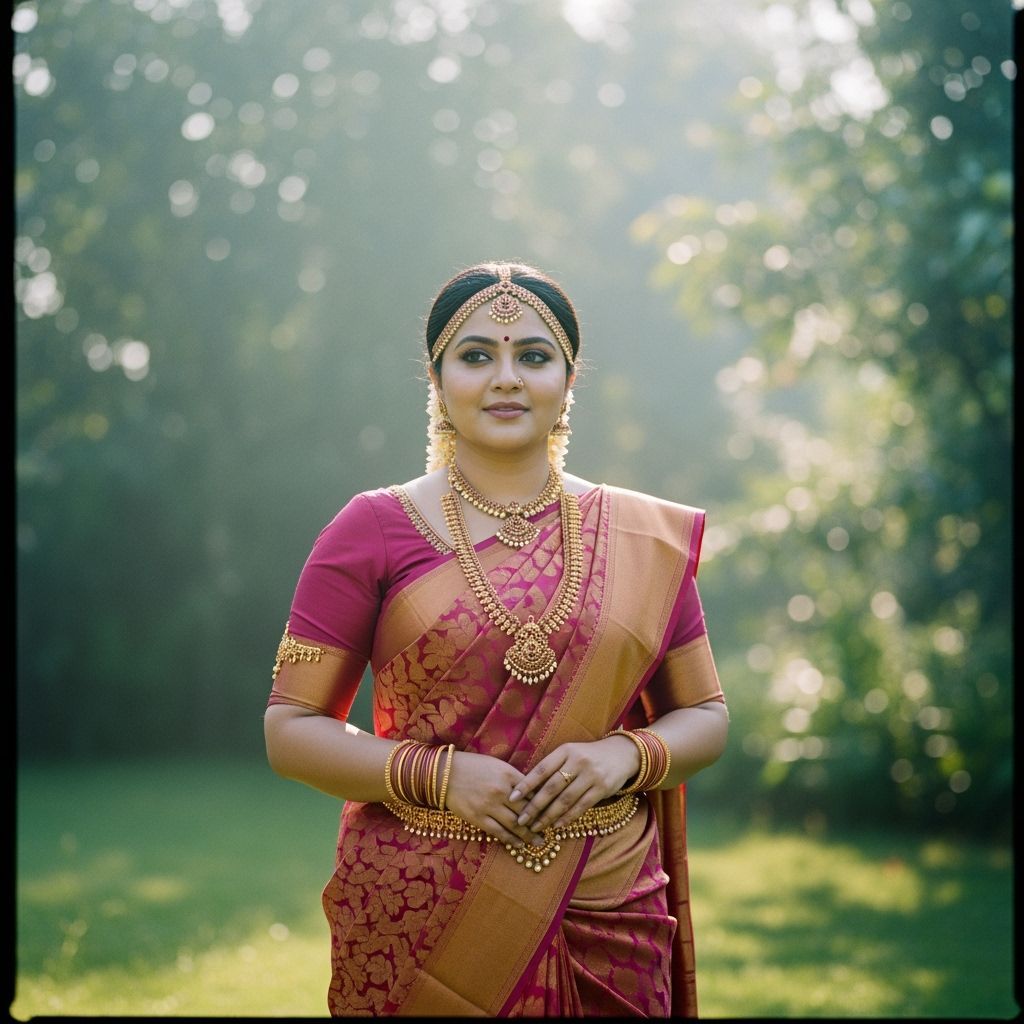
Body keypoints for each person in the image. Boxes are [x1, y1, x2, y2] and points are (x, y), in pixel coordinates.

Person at [263, 261, 729, 1017]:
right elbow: (290, 730)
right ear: (437, 378)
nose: (506, 378)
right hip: (424, 910)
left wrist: (623, 756)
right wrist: (439, 777)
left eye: (534, 356)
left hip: (610, 902)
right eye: (476, 355)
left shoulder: (642, 537)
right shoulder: (371, 528)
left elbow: (706, 715)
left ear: (568, 382)